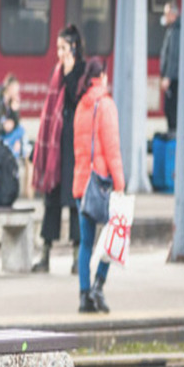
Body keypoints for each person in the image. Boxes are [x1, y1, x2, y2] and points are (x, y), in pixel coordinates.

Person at [30, 24, 85, 274]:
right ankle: (45, 255)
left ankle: (76, 258)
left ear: (73, 47)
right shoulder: (56, 72)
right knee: (51, 201)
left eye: (63, 48)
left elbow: (76, 99)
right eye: (58, 48)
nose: (59, 53)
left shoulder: (81, 71)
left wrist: (72, 71)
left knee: (75, 202)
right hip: (56, 149)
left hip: (73, 147)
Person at [72, 57, 125, 313]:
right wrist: (120, 183)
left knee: (86, 243)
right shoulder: (105, 104)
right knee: (111, 238)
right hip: (101, 186)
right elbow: (112, 148)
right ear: (102, 75)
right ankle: (98, 287)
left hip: (82, 185)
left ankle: (84, 296)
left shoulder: (82, 105)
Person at [159, 2, 181, 134]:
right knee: (170, 108)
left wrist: (168, 76)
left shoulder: (176, 30)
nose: (164, 17)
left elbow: (173, 55)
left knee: (171, 108)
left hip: (173, 79)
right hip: (172, 77)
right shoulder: (172, 29)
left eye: (166, 14)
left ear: (173, 15)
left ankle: (173, 135)